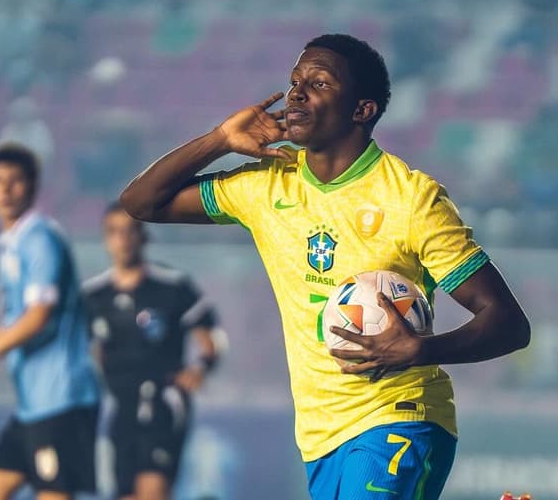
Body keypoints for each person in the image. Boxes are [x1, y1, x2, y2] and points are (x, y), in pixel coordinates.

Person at [120, 34, 530, 500]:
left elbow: (508, 323)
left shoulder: (412, 200)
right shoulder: (267, 184)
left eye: (318, 84)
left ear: (362, 110)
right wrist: (220, 140)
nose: (296, 94)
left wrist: (419, 349)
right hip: (320, 436)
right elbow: (141, 202)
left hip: (399, 417)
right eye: (295, 82)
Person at [0, 143, 100, 500]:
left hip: (62, 399)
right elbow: (23, 317)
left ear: (32, 185)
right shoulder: (12, 243)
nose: (5, 189)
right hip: (33, 405)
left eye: (15, 180)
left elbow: (38, 317)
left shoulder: (39, 239)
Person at [83, 202, 221, 500]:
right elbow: (89, 350)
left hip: (162, 403)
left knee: (154, 489)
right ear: (105, 239)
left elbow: (212, 339)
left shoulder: (173, 286)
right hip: (121, 406)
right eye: (114, 232)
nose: (123, 240)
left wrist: (199, 368)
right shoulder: (93, 296)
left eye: (129, 231)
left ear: (143, 236)